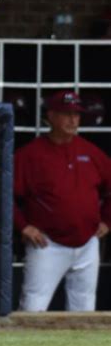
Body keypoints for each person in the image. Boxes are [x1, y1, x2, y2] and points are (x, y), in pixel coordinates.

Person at [14, 90, 111, 312]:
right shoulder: (30, 154)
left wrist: (107, 221)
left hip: (87, 242)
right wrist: (23, 226)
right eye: (66, 114)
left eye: (76, 114)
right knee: (32, 307)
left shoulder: (91, 152)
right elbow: (1, 194)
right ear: (51, 116)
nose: (72, 119)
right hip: (46, 243)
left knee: (84, 309)